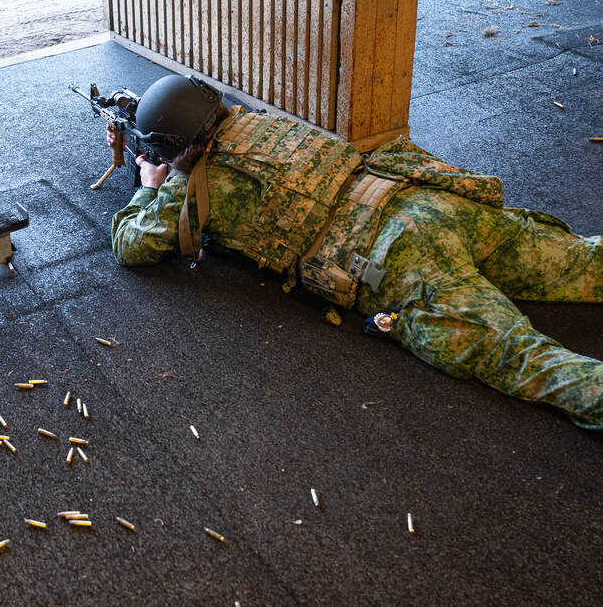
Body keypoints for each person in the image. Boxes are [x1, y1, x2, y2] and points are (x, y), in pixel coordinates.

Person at [105, 74, 603, 429]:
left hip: (397, 259)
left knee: (525, 358)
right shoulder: (259, 123)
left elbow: (131, 246)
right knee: (584, 260)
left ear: (165, 147)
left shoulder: (189, 189)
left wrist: (150, 186)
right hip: (427, 202)